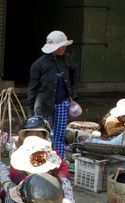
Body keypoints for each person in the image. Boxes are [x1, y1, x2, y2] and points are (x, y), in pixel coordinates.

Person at [26, 30, 78, 159]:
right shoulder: (38, 64)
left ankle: (59, 162)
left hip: (62, 103)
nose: (64, 48)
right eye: (61, 47)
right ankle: (43, 160)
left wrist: (72, 94)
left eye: (64, 46)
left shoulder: (68, 59)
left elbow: (73, 75)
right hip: (43, 105)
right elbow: (32, 88)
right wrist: (30, 108)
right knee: (44, 135)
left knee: (59, 135)